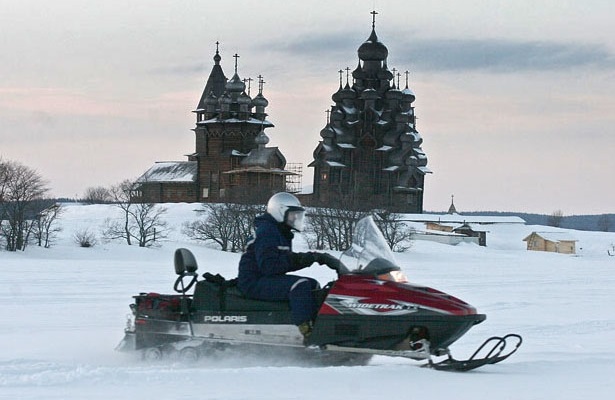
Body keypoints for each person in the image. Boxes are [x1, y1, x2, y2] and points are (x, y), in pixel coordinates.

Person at [237, 192, 339, 338]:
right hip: (253, 282)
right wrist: (304, 259)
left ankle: (319, 323)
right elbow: (269, 266)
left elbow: (282, 261)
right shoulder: (267, 232)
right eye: (293, 214)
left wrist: (311, 258)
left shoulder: (279, 231)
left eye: (298, 215)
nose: (296, 218)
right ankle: (307, 331)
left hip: (263, 278)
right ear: (280, 212)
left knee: (312, 284)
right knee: (300, 285)